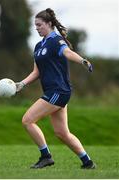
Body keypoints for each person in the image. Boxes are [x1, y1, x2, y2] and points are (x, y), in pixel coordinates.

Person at [15, 8, 95, 169]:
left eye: (39, 25)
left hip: (58, 91)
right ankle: (88, 162)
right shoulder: (39, 46)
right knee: (62, 133)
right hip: (54, 92)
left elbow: (67, 52)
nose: (36, 28)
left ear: (49, 24)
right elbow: (36, 72)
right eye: (35, 25)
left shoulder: (56, 40)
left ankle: (46, 156)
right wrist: (21, 84)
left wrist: (82, 61)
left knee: (28, 120)